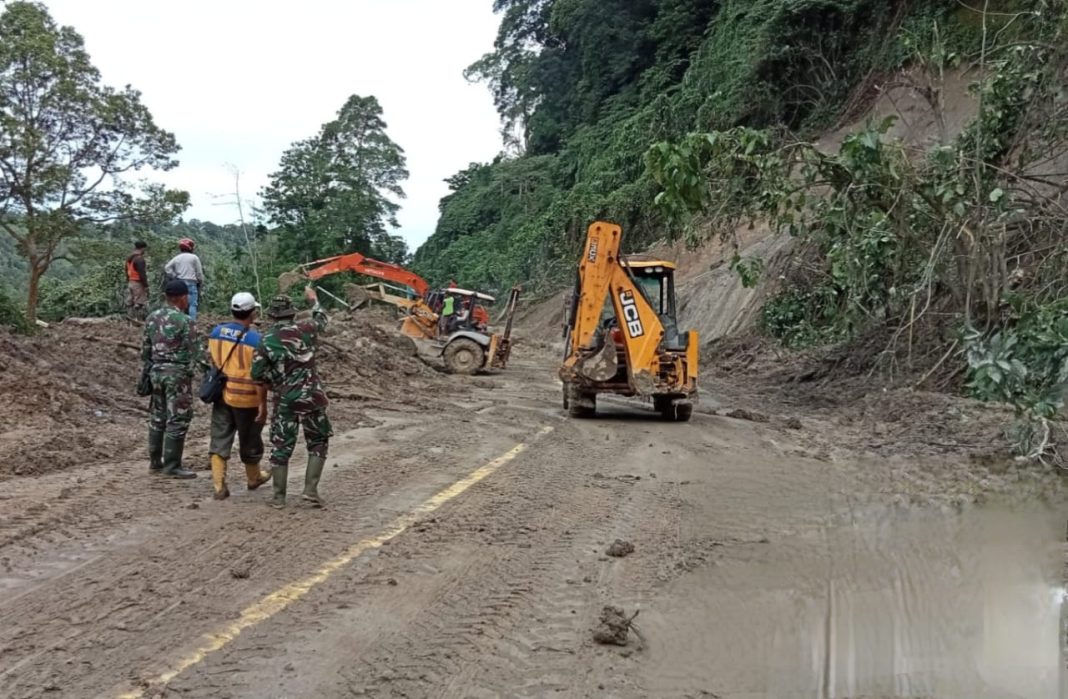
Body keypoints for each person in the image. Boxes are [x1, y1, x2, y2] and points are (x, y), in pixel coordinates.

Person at [251, 287, 333, 509]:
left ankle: (278, 497)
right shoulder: (307, 329)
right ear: (293, 313)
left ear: (271, 315)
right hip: (312, 396)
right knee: (318, 441)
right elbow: (322, 318)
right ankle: (310, 490)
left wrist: (275, 380)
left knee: (281, 445)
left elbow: (257, 374)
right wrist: (314, 299)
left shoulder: (265, 340)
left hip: (285, 398)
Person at [205, 292, 273, 500]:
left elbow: (213, 360)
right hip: (247, 398)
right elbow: (260, 375)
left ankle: (219, 486)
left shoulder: (216, 332)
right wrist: (263, 405)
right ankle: (253, 478)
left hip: (222, 395)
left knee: (220, 437)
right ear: (252, 313)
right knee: (250, 438)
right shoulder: (256, 340)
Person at [142, 279, 197, 479]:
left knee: (158, 416)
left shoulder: (151, 318)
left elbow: (145, 349)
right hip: (177, 374)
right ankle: (172, 465)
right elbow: (193, 351)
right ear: (182, 297)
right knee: (177, 418)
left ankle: (155, 461)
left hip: (156, 371)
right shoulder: (185, 321)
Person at [164, 238, 204, 321]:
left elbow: (167, 268)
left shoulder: (177, 258)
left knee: (179, 304)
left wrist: (174, 276)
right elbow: (199, 272)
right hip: (191, 283)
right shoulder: (194, 257)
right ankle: (192, 323)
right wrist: (200, 281)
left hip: (180, 282)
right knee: (192, 304)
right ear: (191, 248)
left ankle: (179, 322)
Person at [125, 240, 150, 320]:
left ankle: (130, 319)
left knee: (130, 302)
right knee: (139, 303)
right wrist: (146, 285)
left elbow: (126, 270)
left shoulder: (130, 258)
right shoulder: (139, 259)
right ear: (142, 248)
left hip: (130, 282)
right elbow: (142, 274)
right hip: (137, 283)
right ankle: (138, 320)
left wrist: (128, 280)